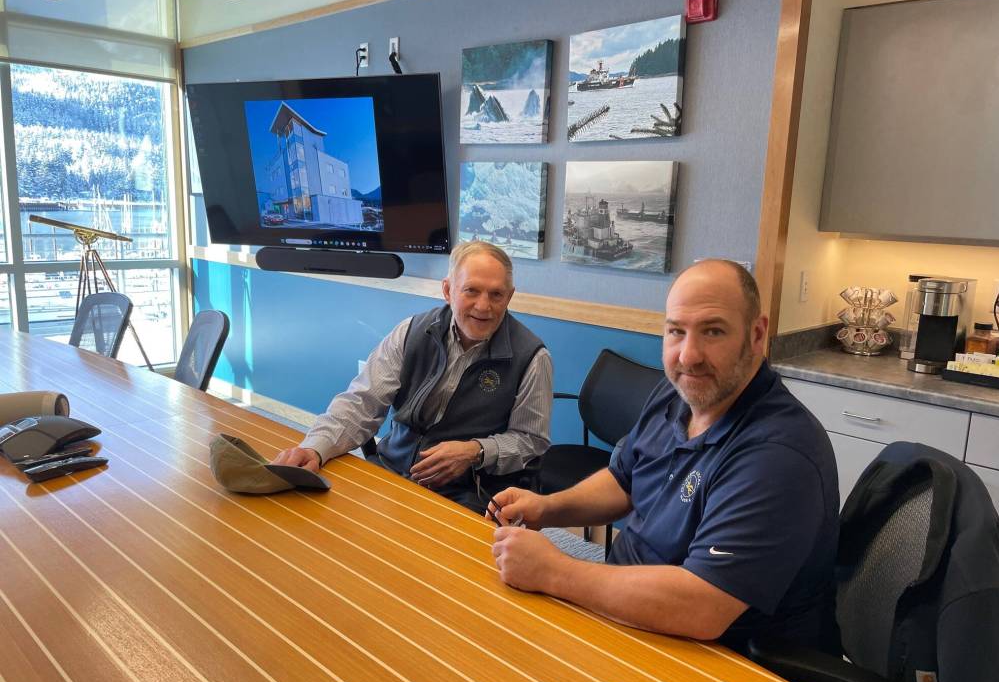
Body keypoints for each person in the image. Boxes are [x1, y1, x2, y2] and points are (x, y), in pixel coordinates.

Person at [490, 259, 839, 650]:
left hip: (713, 658)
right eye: (676, 331)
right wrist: (548, 508)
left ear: (757, 335)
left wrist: (556, 572)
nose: (689, 356)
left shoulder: (777, 455)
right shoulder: (678, 394)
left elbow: (702, 606)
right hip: (626, 608)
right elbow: (624, 480)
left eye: (713, 331)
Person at [274, 241, 553, 513]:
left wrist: (475, 451)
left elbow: (530, 440)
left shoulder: (532, 357)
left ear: (510, 296)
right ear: (448, 290)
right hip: (392, 467)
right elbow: (361, 403)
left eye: (496, 294)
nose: (484, 306)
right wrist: (314, 448)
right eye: (472, 291)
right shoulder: (411, 332)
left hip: (467, 493)